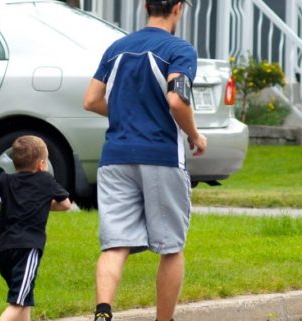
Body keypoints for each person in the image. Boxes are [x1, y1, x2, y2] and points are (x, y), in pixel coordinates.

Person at [82, 1, 206, 321]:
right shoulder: (179, 49)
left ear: (145, 6)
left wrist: (126, 112)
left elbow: (91, 100)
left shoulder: (117, 48)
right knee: (170, 247)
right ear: (178, 8)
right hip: (160, 157)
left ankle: (103, 312)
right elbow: (176, 100)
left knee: (115, 244)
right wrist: (194, 134)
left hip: (115, 158)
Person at [0, 135, 73, 321]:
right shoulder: (45, 180)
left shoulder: (6, 180)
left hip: (5, 248)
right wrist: (44, 204)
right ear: (41, 165)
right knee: (19, 302)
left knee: (25, 297)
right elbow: (66, 205)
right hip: (27, 248)